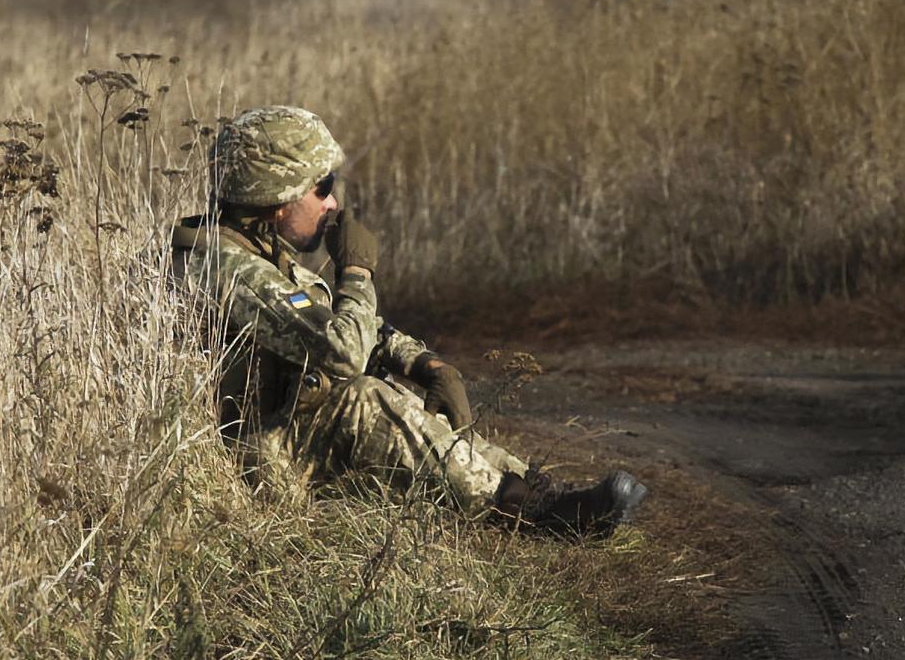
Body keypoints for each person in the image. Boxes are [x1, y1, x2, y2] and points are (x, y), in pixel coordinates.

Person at [167, 105, 647, 537]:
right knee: (361, 397)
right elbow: (342, 353)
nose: (332, 203)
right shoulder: (223, 269)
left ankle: (531, 490)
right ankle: (526, 511)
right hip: (248, 464)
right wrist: (357, 272)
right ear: (278, 200)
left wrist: (425, 365)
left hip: (276, 440)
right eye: (322, 187)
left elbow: (338, 323)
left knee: (390, 388)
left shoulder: (257, 253)